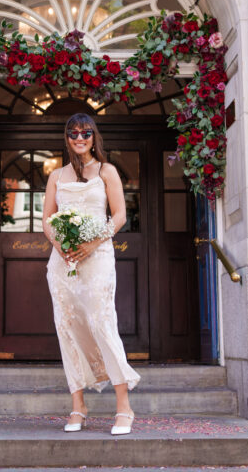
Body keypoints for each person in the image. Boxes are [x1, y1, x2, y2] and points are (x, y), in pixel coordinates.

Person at [41, 113, 141, 436]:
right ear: (67, 137)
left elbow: (121, 215)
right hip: (63, 262)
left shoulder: (107, 171)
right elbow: (46, 219)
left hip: (97, 258)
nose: (79, 137)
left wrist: (92, 243)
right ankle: (78, 405)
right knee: (67, 327)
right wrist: (61, 244)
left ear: (93, 136)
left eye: (85, 132)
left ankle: (123, 405)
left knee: (101, 323)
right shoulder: (56, 176)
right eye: (73, 132)